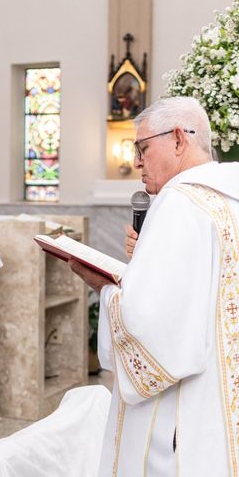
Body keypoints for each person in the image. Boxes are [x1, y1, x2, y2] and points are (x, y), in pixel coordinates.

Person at [70, 96, 239, 476]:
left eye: (143, 147)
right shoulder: (230, 197)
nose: (137, 162)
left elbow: (151, 324)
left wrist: (106, 288)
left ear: (178, 139)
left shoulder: (179, 202)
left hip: (181, 409)